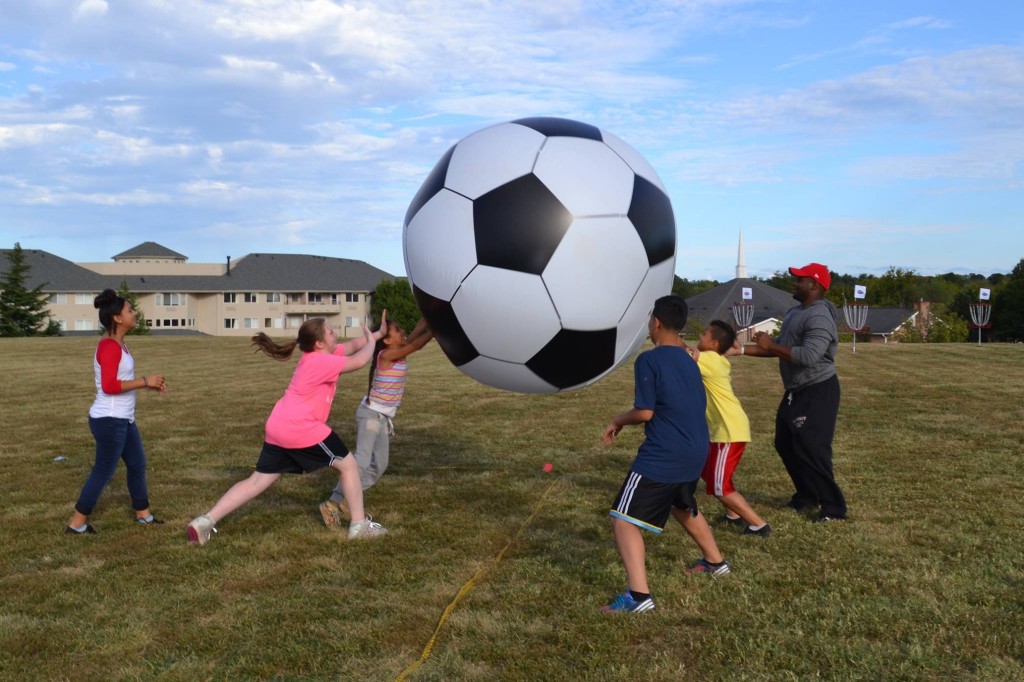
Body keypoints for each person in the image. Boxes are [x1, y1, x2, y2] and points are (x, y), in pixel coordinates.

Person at [187, 315, 389, 545]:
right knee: (350, 466)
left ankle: (205, 521)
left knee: (256, 481)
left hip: (278, 427)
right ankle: (358, 525)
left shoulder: (317, 355)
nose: (335, 333)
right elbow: (360, 360)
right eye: (331, 331)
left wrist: (377, 335)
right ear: (319, 343)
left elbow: (353, 346)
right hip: (301, 428)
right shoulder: (320, 362)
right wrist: (373, 344)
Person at [600, 295, 730, 615]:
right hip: (695, 449)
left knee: (623, 519)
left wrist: (618, 420)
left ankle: (638, 597)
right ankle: (716, 562)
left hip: (665, 453)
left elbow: (645, 412)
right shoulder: (690, 358)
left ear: (655, 323)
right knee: (681, 503)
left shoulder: (650, 360)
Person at [735, 263, 847, 523]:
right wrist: (738, 350)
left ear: (814, 285)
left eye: (799, 279)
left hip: (817, 389)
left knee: (813, 448)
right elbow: (779, 349)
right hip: (795, 390)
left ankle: (834, 508)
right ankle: (807, 495)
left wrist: (771, 344)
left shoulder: (819, 317)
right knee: (785, 443)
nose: (794, 283)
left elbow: (808, 356)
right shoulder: (796, 312)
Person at [67, 289, 167, 535]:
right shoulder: (109, 346)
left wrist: (148, 384)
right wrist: (145, 381)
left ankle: (143, 514)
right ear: (117, 318)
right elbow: (110, 386)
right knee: (103, 471)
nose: (135, 313)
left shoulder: (120, 345)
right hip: (109, 420)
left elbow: (120, 380)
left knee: (137, 463)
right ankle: (77, 523)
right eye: (130, 310)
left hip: (123, 418)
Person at [319, 318, 434, 526]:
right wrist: (437, 330)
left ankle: (348, 498)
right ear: (388, 340)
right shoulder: (387, 355)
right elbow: (416, 344)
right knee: (361, 460)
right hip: (370, 416)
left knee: (380, 465)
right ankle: (333, 502)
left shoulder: (399, 349)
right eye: (398, 330)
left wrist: (428, 317)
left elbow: (415, 335)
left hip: (382, 418)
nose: (403, 331)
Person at [688, 320, 770, 537]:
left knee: (719, 486)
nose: (700, 335)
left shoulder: (710, 359)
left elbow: (684, 351)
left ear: (714, 344)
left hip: (729, 430)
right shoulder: (717, 358)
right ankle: (733, 514)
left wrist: (667, 330)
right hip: (724, 429)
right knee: (708, 471)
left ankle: (758, 524)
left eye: (704, 333)